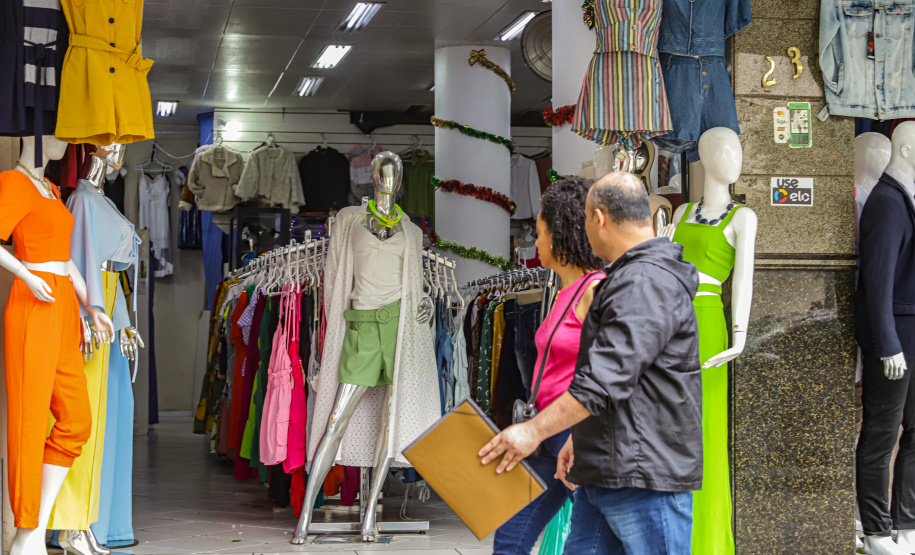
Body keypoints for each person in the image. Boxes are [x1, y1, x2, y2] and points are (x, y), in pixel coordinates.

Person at [480, 171, 703, 554]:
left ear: (598, 218)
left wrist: (534, 430)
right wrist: (580, 439)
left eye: (585, 219)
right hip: (609, 471)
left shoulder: (643, 281)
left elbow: (605, 379)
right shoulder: (630, 277)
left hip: (641, 478)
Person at [493, 177, 605, 555]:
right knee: (510, 538)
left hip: (573, 432)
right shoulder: (560, 292)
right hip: (546, 429)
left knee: (589, 541)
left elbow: (606, 372)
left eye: (540, 233)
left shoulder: (595, 290)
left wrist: (581, 434)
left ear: (561, 236)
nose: (536, 242)